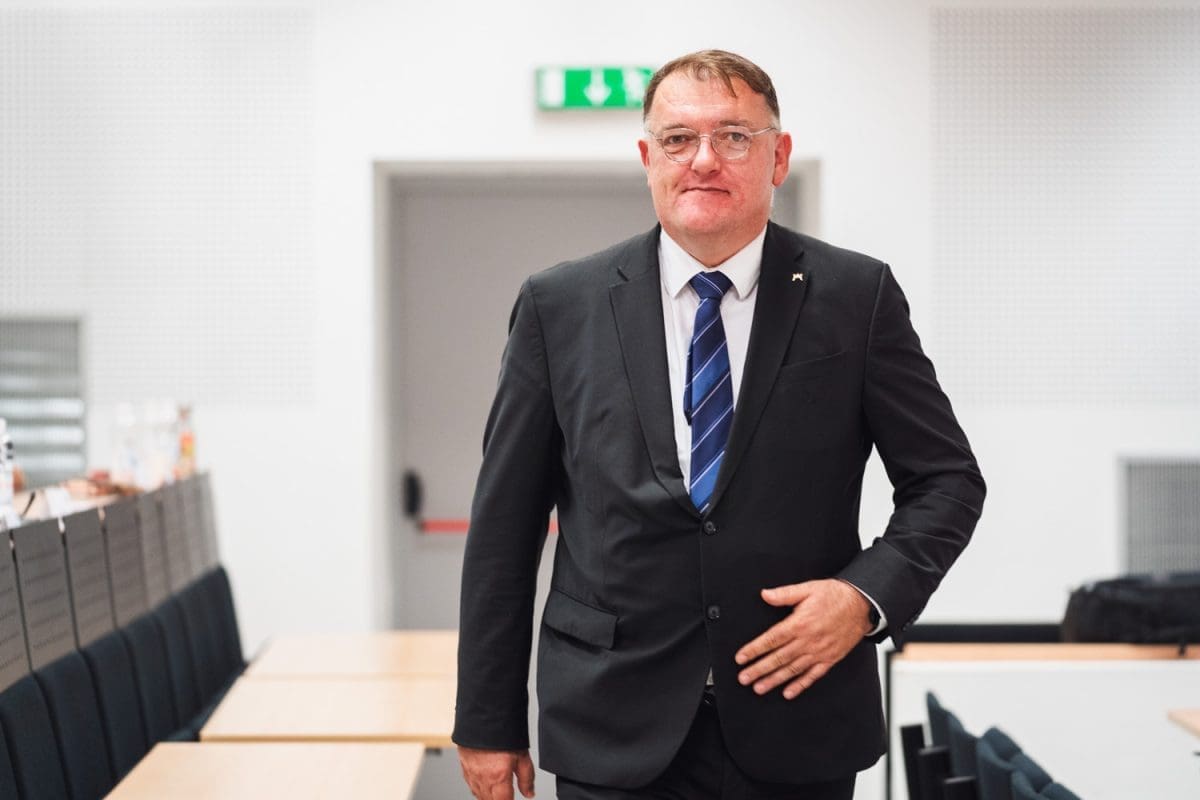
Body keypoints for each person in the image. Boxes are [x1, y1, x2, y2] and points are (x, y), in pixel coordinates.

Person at [453, 49, 985, 800]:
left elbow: (948, 482)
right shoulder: (560, 306)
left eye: (734, 136)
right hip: (610, 723)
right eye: (678, 139)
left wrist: (863, 599)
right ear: (648, 159)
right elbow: (504, 529)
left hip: (798, 718)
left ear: (778, 157)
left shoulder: (855, 296)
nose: (703, 159)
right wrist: (488, 719)